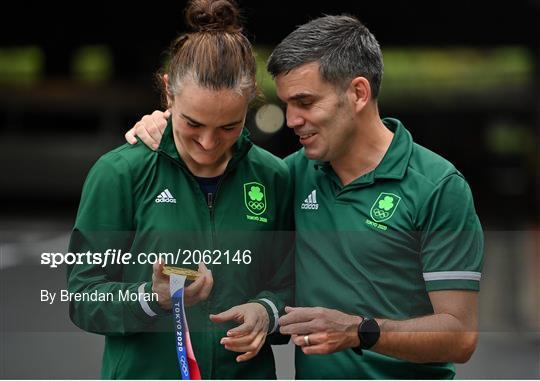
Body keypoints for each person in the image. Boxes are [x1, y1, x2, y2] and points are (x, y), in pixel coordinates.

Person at [126, 14, 484, 380]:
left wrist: (360, 331)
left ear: (358, 93)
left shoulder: (438, 186)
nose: (292, 119)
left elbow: (460, 336)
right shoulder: (289, 175)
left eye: (305, 102)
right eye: (286, 104)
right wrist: (165, 125)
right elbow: (207, 157)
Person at [67, 0, 293, 379]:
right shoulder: (119, 173)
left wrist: (266, 312)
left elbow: (291, 283)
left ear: (251, 101)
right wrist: (150, 298)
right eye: (193, 123)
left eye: (228, 127)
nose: (208, 142)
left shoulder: (274, 178)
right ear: (169, 93)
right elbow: (82, 296)